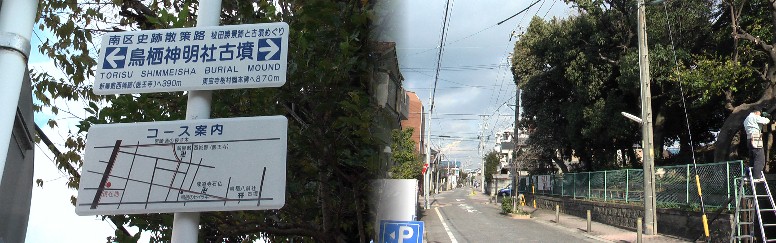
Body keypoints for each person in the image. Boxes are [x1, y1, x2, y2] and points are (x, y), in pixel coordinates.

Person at [744, 108, 770, 181]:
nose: (760, 115)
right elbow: (766, 121)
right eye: (760, 114)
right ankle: (757, 176)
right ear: (757, 112)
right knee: (760, 159)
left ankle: (748, 174)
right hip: (755, 138)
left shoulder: (746, 119)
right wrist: (768, 117)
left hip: (749, 139)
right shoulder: (754, 117)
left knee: (752, 159)